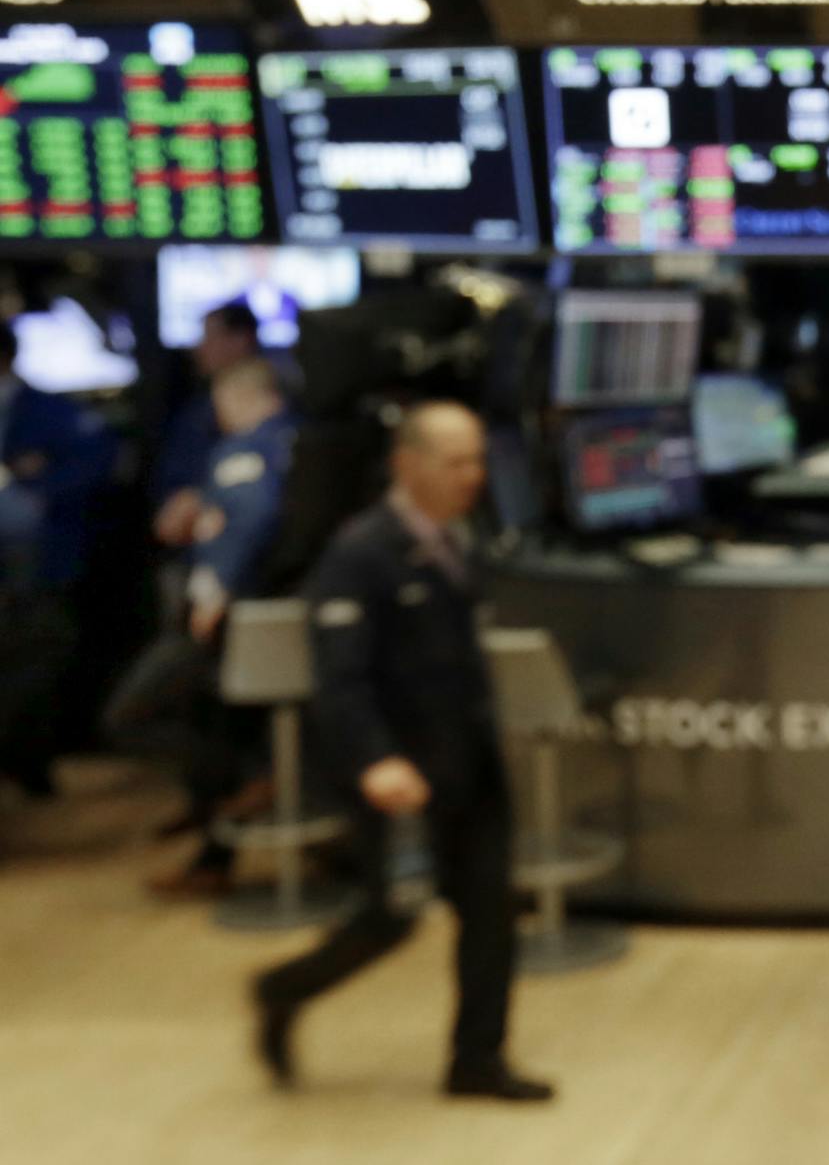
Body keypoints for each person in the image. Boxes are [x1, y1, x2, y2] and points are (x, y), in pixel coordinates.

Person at [252, 401, 551, 1104]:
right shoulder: (360, 553)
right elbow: (340, 678)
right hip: (401, 775)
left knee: (491, 913)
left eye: (477, 461)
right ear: (407, 465)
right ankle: (284, 988)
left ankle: (477, 1060)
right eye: (456, 463)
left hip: (470, 761)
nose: (472, 476)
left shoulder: (459, 539)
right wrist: (374, 760)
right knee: (390, 919)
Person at [111, 358, 298, 896]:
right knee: (213, 722)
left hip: (227, 621)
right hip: (273, 623)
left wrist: (216, 590)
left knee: (129, 716)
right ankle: (219, 821)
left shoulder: (244, 448)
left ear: (239, 396)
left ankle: (240, 782)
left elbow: (250, 515)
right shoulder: (294, 439)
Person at [0, 318, 115, 800]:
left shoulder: (48, 408)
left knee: (36, 658)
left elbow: (98, 459)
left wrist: (36, 489)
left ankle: (29, 763)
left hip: (37, 565)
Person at [151, 300, 262, 556]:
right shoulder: (195, 412)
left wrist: (206, 499)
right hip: (195, 543)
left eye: (208, 337)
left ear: (241, 340)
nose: (198, 348)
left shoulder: (274, 404)